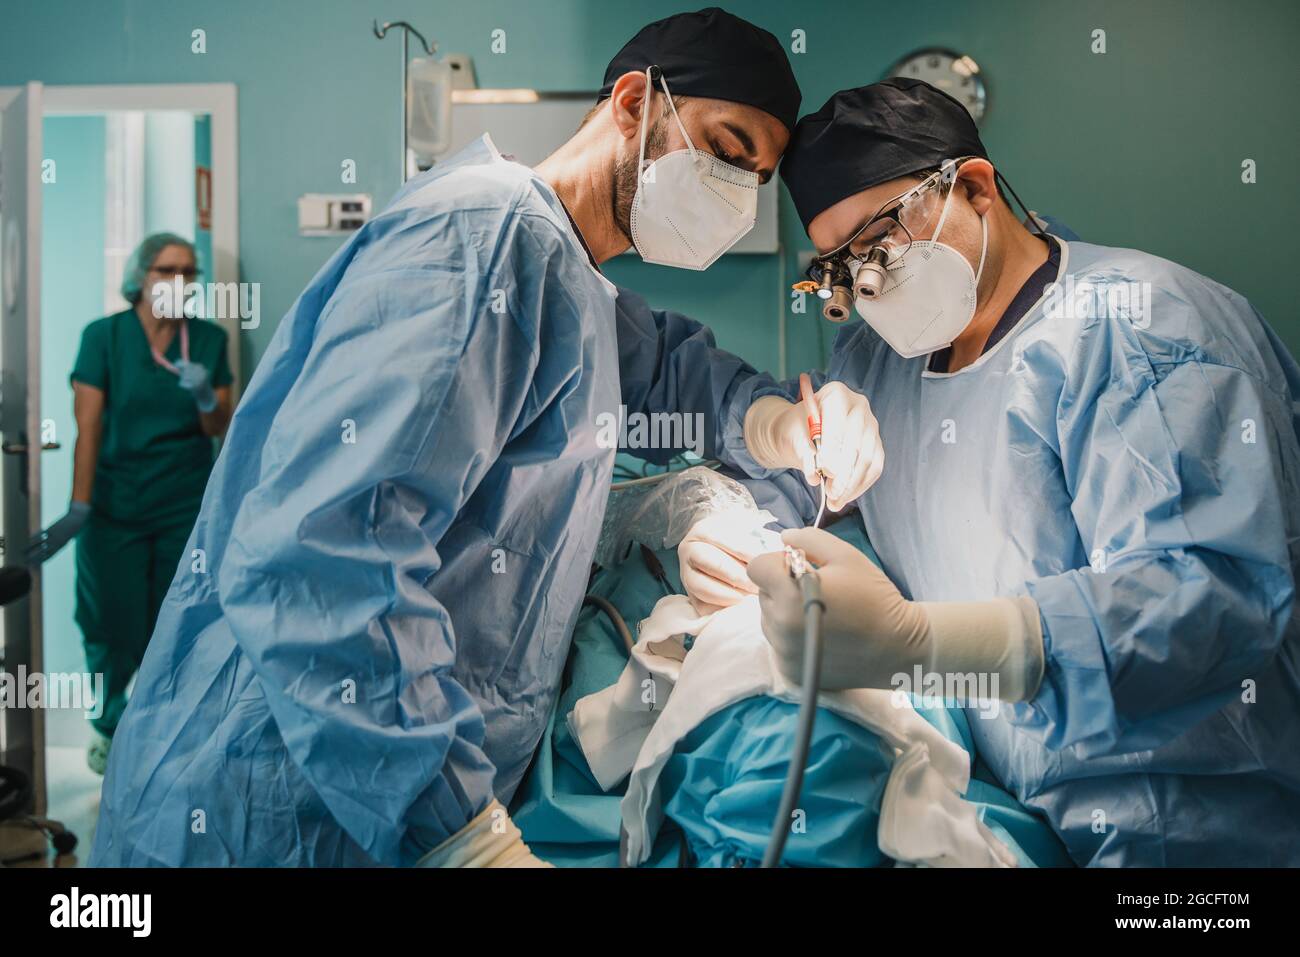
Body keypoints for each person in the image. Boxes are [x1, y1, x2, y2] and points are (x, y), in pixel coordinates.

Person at [90, 9, 881, 868]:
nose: (735, 193)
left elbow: (679, 380)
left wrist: (785, 427)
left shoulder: (569, 280)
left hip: (369, 806)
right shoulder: (488, 235)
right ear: (632, 102)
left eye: (756, 177)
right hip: (276, 804)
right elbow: (322, 554)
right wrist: (466, 836)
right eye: (727, 150)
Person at [733, 79, 1300, 866]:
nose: (864, 283)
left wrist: (922, 643)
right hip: (1012, 811)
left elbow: (1209, 598)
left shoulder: (1141, 331)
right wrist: (734, 512)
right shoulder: (878, 362)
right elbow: (839, 500)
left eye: (881, 240)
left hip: (1196, 837)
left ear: (973, 187)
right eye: (839, 266)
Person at [26, 233, 232, 774]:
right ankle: (108, 727)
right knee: (110, 622)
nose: (179, 282)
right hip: (113, 506)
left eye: (189, 272)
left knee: (177, 618)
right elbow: (87, 426)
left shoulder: (207, 341)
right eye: (167, 270)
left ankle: (168, 728)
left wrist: (207, 396)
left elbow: (220, 427)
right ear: (140, 278)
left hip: (183, 503)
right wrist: (79, 505)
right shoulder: (104, 337)